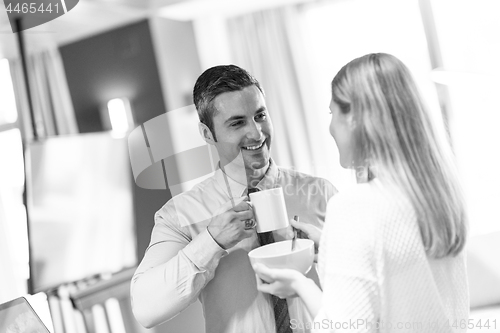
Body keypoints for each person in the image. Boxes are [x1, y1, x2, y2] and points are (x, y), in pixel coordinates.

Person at [254, 53, 469, 332]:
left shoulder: (356, 206)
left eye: (333, 113)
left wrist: (300, 285)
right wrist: (332, 247)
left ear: (355, 117)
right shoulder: (442, 196)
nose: (330, 127)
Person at [130, 64, 337, 333]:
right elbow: (145, 310)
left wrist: (330, 252)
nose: (256, 133)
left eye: (260, 115)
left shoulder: (322, 195)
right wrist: (211, 242)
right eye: (237, 123)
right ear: (207, 134)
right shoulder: (179, 215)